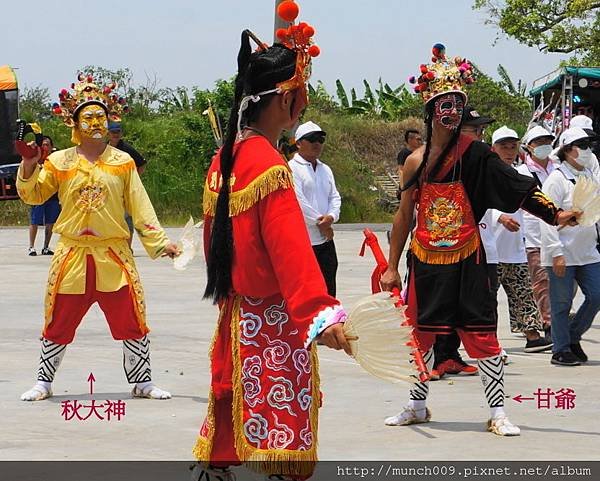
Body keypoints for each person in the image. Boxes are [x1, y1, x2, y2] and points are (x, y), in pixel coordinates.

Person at [382, 43, 578, 436]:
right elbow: (405, 215)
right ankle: (416, 404)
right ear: (431, 108)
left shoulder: (477, 154)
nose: (452, 111)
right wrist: (390, 265)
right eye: (445, 103)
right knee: (419, 332)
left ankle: (499, 411)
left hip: (468, 258)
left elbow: (518, 186)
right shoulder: (415, 161)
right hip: (425, 259)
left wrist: (554, 215)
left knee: (481, 332)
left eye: (458, 103)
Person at [192, 14, 351, 481]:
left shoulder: (224, 160)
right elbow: (292, 255)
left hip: (236, 311)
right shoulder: (271, 168)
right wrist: (320, 315)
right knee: (282, 419)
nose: (302, 107)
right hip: (274, 319)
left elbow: (213, 245)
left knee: (230, 399)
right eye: (301, 97)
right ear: (285, 99)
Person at [17, 73, 179, 402]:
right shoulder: (60, 161)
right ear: (74, 122)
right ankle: (44, 382)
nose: (96, 122)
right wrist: (28, 164)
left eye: (101, 116)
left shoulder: (122, 162)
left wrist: (160, 243)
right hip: (72, 254)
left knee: (131, 316)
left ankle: (143, 381)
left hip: (113, 254)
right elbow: (33, 195)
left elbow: (140, 204)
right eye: (88, 116)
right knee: (58, 317)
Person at [541, 127, 600, 366]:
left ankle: (573, 335)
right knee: (562, 303)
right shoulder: (556, 179)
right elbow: (546, 219)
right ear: (567, 150)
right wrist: (556, 253)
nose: (587, 150)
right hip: (563, 251)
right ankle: (561, 349)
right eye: (582, 145)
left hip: (588, 251)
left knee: (597, 295)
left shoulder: (590, 175)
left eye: (589, 144)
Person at [490, 126, 553, 352]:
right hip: (491, 248)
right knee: (487, 299)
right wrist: (500, 217)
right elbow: (478, 205)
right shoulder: (485, 175)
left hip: (516, 247)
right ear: (493, 149)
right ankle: (488, 341)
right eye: (503, 147)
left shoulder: (522, 174)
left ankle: (532, 336)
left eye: (512, 146)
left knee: (523, 293)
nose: (509, 151)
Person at [289, 120, 341, 296]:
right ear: (298, 143)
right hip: (305, 240)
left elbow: (334, 196)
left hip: (325, 240)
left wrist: (332, 217)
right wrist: (322, 223)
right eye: (311, 139)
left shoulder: (325, 169)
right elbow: (299, 201)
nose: (317, 143)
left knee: (329, 287)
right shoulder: (291, 169)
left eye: (320, 139)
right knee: (307, 291)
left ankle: (330, 322)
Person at [516, 126, 557, 338]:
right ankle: (549, 323)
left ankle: (556, 318)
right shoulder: (522, 173)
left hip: (561, 233)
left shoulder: (558, 168)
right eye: (539, 142)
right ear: (528, 147)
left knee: (562, 281)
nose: (544, 146)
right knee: (542, 282)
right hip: (535, 236)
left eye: (546, 141)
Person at [107, 121, 147, 247]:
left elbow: (141, 164)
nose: (115, 135)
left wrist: (133, 179)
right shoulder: (103, 148)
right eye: (113, 132)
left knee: (127, 219)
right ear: (108, 133)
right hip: (108, 189)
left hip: (124, 189)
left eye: (118, 132)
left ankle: (127, 248)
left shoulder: (127, 149)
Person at [28, 135, 60, 256]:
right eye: (43, 145)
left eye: (47, 145)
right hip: (38, 195)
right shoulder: (35, 159)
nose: (45, 147)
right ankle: (31, 246)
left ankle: (46, 247)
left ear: (52, 147)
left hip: (53, 195)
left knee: (50, 222)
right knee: (35, 221)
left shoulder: (55, 161)